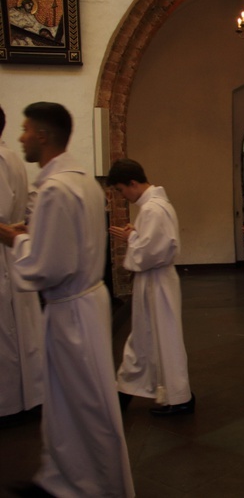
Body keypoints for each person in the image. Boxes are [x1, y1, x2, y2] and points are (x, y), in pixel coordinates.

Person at [0, 102, 134, 497]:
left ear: (42, 135)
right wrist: (34, 232)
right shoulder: (81, 182)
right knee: (70, 405)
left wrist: (16, 239)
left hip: (71, 310)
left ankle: (91, 483)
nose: (20, 138)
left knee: (82, 406)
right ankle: (66, 478)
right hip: (84, 303)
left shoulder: (57, 188)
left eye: (25, 130)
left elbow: (46, 267)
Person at [107, 158, 195, 416]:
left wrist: (131, 237)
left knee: (164, 339)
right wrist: (136, 234)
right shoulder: (153, 207)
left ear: (133, 183)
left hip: (157, 281)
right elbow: (155, 243)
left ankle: (180, 398)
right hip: (154, 281)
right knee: (147, 338)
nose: (123, 196)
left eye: (122, 190)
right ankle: (161, 393)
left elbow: (152, 252)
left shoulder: (153, 209)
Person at [0, 104, 44, 429]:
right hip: (13, 246)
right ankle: (26, 395)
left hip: (6, 245)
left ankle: (9, 401)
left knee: (8, 332)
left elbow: (2, 214)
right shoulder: (11, 157)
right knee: (19, 327)